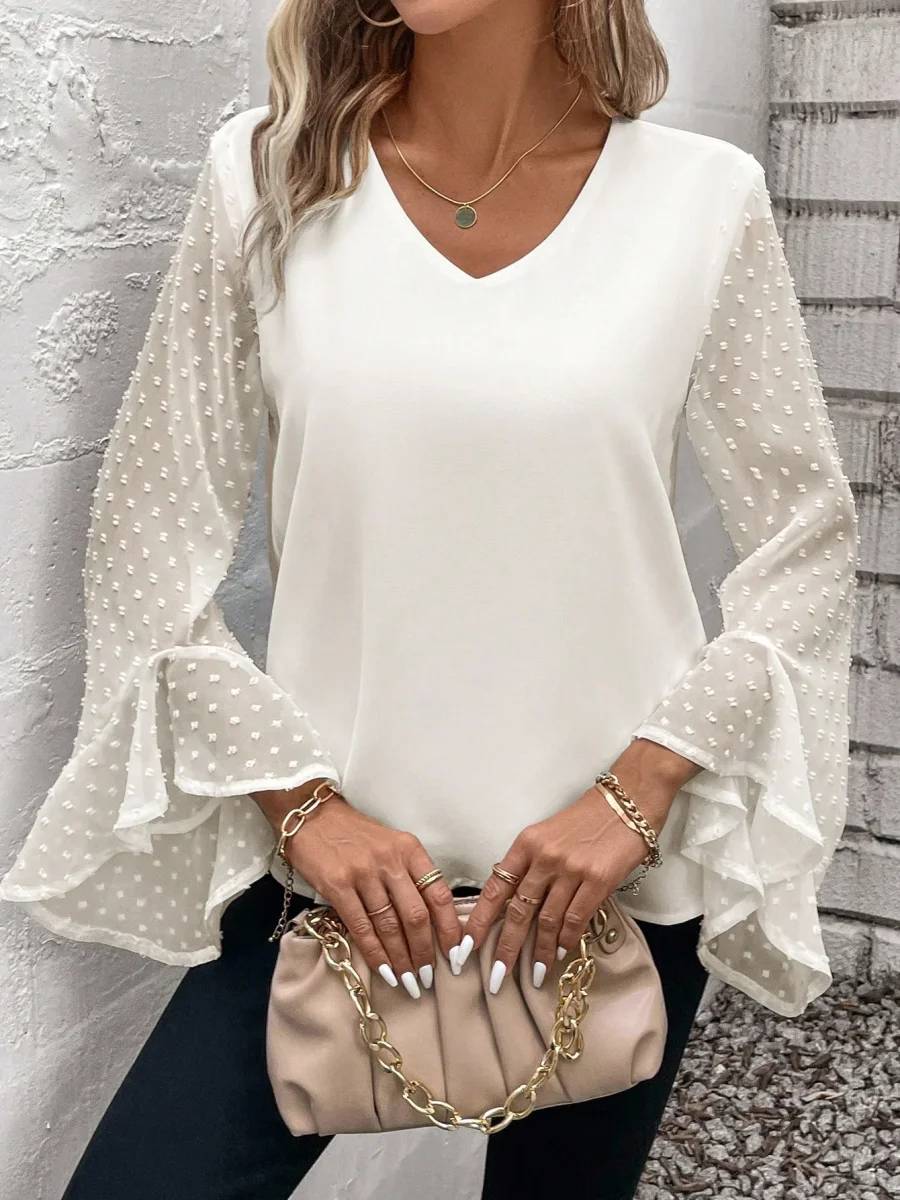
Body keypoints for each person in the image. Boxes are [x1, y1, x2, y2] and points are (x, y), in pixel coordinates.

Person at [1, 0, 858, 1197]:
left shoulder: (702, 201)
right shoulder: (270, 179)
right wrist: (301, 806)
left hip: (606, 887)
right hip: (329, 881)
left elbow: (806, 542)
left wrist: (645, 785)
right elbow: (147, 548)